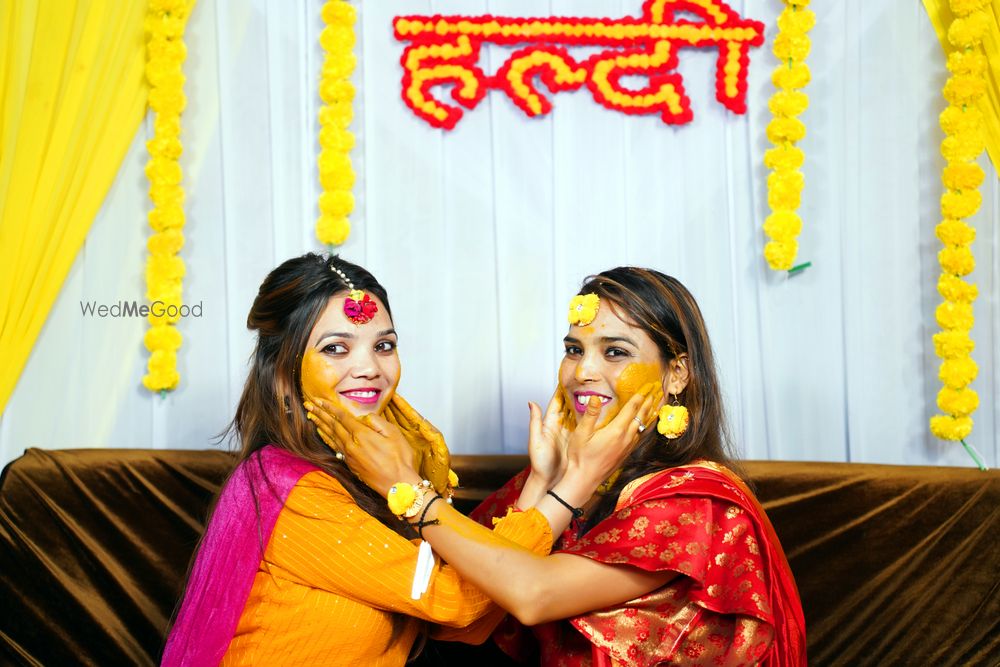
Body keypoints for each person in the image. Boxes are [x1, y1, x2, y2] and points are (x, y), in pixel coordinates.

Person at [161, 253, 655, 667]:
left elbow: (476, 618)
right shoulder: (295, 493)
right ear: (282, 380)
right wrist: (574, 485)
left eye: (384, 345)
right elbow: (456, 604)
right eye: (336, 347)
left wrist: (543, 481)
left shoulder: (381, 467)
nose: (369, 368)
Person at [310, 266, 807, 666]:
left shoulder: (694, 501)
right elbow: (458, 607)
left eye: (615, 352)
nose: (583, 371)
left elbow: (531, 594)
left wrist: (409, 492)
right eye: (574, 350)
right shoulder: (572, 476)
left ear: (676, 373)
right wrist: (547, 480)